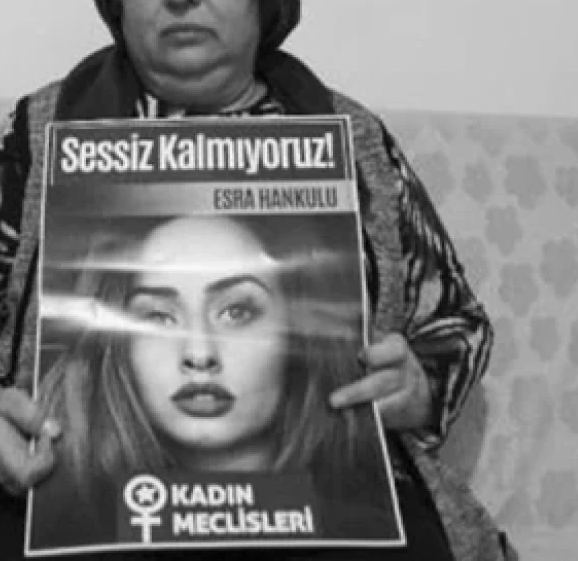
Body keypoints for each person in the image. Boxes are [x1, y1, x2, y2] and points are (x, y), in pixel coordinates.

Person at [0, 0, 512, 561]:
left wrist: (419, 386)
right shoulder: (41, 133)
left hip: (318, 496)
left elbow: (455, 322)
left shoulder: (349, 140)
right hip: (70, 488)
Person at [28, 214, 400, 550]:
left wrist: (420, 400)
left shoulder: (378, 528)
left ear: (297, 335)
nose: (199, 354)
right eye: (158, 317)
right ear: (116, 350)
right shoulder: (61, 531)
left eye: (237, 312)